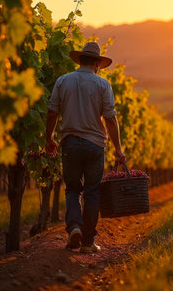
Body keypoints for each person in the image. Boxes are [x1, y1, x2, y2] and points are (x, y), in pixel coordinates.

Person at [45, 42, 127, 253]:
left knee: (72, 189)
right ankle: (88, 242)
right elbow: (110, 118)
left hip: (70, 143)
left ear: (80, 60)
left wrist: (49, 138)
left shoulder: (63, 81)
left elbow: (52, 112)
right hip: (95, 145)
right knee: (92, 192)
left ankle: (74, 228)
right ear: (97, 64)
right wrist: (118, 148)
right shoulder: (102, 85)